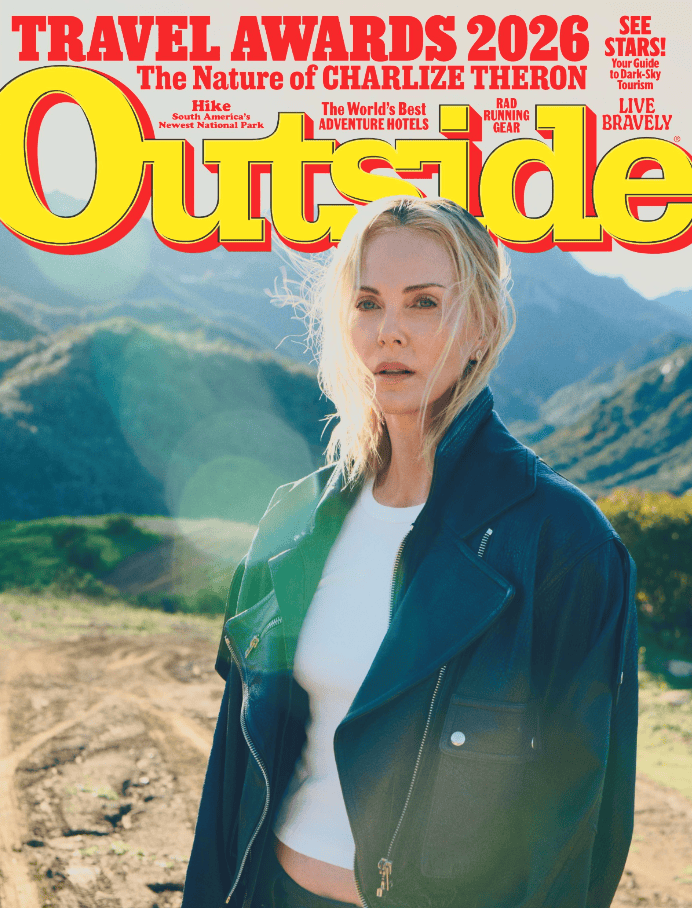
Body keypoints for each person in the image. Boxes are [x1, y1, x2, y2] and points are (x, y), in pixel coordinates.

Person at [181, 196, 638, 908]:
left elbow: (580, 829)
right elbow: (233, 780)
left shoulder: (564, 541)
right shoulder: (293, 520)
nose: (389, 332)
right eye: (368, 303)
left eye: (424, 303)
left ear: (482, 326)